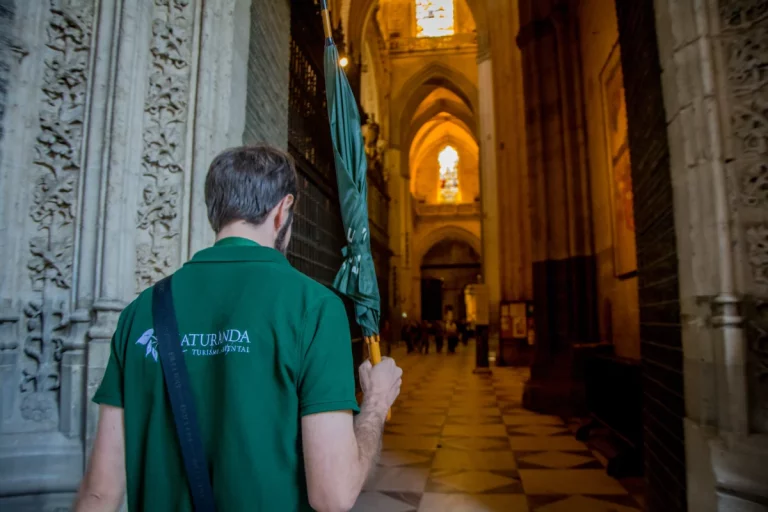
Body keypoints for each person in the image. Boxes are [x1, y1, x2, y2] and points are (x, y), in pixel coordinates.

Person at [74, 145, 403, 512]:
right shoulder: (314, 308)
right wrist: (376, 401)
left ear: (214, 211)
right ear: (282, 210)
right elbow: (333, 495)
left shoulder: (140, 313)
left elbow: (99, 494)